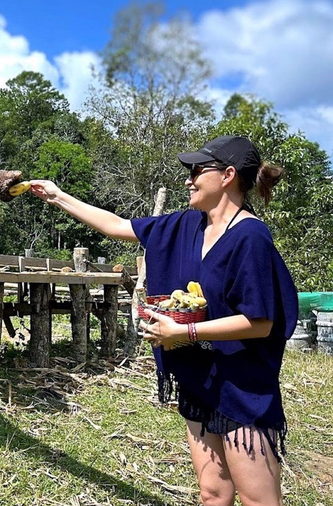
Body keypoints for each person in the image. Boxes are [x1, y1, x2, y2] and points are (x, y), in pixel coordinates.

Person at [28, 135, 298, 506]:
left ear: (228, 175)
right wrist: (57, 196)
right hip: (199, 379)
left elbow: (260, 322)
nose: (188, 180)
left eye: (197, 170)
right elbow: (117, 226)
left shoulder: (250, 237)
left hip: (242, 387)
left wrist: (184, 330)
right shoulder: (185, 225)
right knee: (212, 493)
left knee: (258, 500)